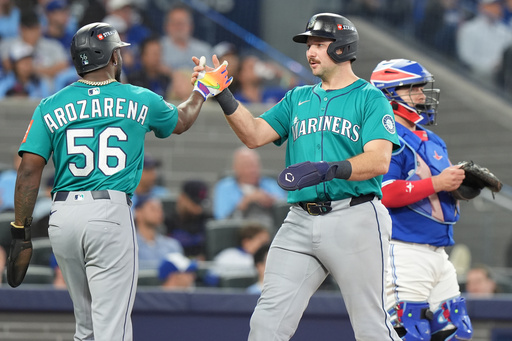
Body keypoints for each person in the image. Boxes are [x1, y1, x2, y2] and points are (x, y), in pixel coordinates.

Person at [9, 21, 231, 341]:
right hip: (108, 214)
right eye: (118, 52)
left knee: (86, 328)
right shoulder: (138, 97)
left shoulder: (50, 104)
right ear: (112, 58)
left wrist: (21, 230)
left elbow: (29, 169)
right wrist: (202, 90)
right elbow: (181, 122)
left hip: (63, 217)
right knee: (113, 329)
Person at [192, 13, 401, 340]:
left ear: (343, 48)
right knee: (266, 324)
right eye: (309, 44)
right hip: (300, 219)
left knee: (371, 327)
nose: (310, 51)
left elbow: (379, 160)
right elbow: (254, 135)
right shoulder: (297, 98)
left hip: (354, 215)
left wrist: (332, 168)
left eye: (319, 44)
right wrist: (223, 95)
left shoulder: (369, 97)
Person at [370, 58, 473, 340]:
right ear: (388, 96)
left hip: (439, 251)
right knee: (409, 333)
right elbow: (386, 192)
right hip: (404, 249)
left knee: (456, 333)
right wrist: (439, 182)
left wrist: (460, 187)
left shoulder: (433, 139)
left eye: (420, 88)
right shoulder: (386, 137)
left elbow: (435, 189)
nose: (420, 95)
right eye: (411, 89)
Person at [213, 146, 286, 228]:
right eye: (248, 166)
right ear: (236, 168)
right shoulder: (224, 186)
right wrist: (246, 201)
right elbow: (221, 220)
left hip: (270, 228)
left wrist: (271, 201)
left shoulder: (271, 183)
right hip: (239, 231)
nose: (253, 170)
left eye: (255, 165)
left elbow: (284, 208)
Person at [160, 3, 212, 100]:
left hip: (199, 96)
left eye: (182, 23)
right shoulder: (159, 46)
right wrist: (174, 74)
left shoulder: (203, 49)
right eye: (175, 23)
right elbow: (154, 66)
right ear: (167, 26)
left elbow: (210, 75)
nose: (179, 27)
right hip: (167, 96)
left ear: (190, 26)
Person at [456, 0, 512, 83]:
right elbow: (466, 58)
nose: (497, 8)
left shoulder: (504, 31)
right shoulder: (469, 29)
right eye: (493, 5)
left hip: (498, 77)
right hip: (473, 75)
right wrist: (490, 66)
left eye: (498, 5)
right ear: (483, 7)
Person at [135, 194, 184, 270]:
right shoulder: (130, 245)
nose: (158, 212)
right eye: (153, 209)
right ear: (138, 212)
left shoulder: (172, 245)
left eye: (160, 209)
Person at [166, 179, 211, 259]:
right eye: (195, 202)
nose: (198, 208)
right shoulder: (168, 222)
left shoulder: (208, 221)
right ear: (182, 198)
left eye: (201, 204)